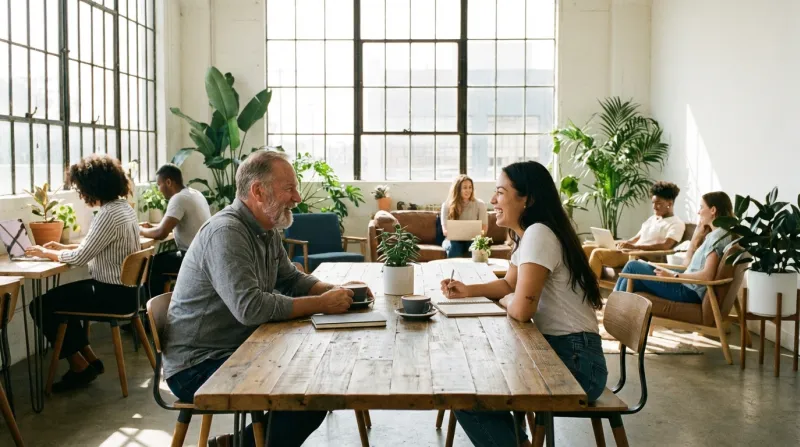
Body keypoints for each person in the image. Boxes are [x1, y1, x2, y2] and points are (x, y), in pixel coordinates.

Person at [163, 150, 370, 447]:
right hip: (197, 366)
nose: (297, 197)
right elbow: (251, 308)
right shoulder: (227, 232)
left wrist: (337, 290)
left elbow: (290, 279)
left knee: (316, 381)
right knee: (308, 395)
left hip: (237, 347)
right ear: (258, 191)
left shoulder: (266, 227)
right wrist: (322, 304)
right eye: (289, 188)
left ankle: (236, 444)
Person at [439, 161, 607, 446]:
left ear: (527, 199)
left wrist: (509, 300)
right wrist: (468, 290)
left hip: (578, 365)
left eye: (500, 192)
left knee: (465, 394)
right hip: (562, 352)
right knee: (481, 375)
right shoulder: (528, 234)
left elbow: (521, 308)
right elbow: (509, 286)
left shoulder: (539, 234)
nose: (493, 200)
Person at [26, 154, 140, 392]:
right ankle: (89, 358)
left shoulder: (107, 214)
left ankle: (79, 366)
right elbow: (93, 246)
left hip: (112, 296)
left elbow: (80, 258)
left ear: (93, 186)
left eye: (80, 188)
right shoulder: (123, 208)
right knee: (63, 300)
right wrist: (62, 248)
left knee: (41, 305)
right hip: (127, 293)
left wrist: (46, 253)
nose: (80, 194)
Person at [614, 191, 734, 303]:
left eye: (701, 207)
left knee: (632, 265)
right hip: (688, 285)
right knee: (633, 281)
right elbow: (691, 267)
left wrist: (674, 275)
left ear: (713, 210)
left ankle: (613, 307)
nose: (698, 212)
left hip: (688, 291)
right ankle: (619, 312)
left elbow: (707, 276)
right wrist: (697, 233)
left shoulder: (717, 237)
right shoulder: (719, 234)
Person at [583, 181, 686, 278]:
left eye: (658, 203)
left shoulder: (676, 223)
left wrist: (635, 247)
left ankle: (591, 289)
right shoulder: (652, 219)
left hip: (641, 257)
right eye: (653, 203)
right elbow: (636, 238)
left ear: (669, 203)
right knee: (585, 248)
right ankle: (581, 285)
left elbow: (666, 246)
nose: (654, 207)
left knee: (597, 253)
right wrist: (619, 243)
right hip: (630, 251)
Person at [139, 163, 211, 296]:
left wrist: (139, 230)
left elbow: (161, 233)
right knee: (159, 261)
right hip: (205, 256)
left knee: (152, 263)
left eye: (159, 184)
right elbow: (171, 226)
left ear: (168, 182)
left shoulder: (178, 198)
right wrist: (153, 227)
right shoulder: (195, 194)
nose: (159, 190)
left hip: (192, 258)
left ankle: (154, 306)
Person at [440, 174, 488, 258]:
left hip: (472, 240)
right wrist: (457, 235)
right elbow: (445, 231)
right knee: (455, 247)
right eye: (465, 188)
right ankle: (453, 266)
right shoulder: (446, 205)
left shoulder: (480, 204)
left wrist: (476, 236)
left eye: (470, 187)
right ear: (458, 189)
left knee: (473, 247)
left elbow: (484, 229)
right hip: (452, 241)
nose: (468, 190)